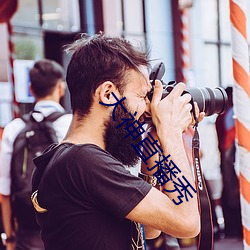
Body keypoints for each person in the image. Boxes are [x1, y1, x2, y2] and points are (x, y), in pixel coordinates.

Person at [31, 33, 201, 250]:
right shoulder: (83, 162)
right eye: (141, 96)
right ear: (108, 94)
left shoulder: (65, 158)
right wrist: (171, 131)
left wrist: (151, 153)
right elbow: (186, 222)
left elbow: (150, 229)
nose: (148, 109)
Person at [0, 59, 72, 250]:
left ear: (31, 89)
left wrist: (9, 239)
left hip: (27, 233)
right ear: (60, 88)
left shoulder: (14, 128)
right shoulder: (71, 124)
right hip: (67, 230)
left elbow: (5, 191)